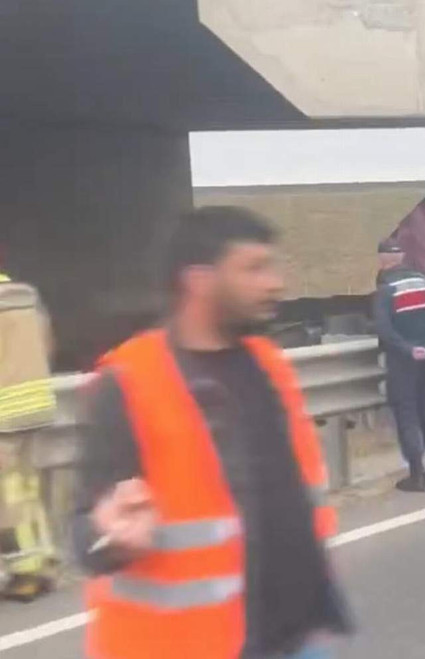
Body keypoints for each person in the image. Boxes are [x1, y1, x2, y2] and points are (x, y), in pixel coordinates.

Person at [72, 207, 351, 659]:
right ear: (198, 280)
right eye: (254, 269)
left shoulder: (269, 364)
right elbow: (86, 530)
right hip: (193, 647)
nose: (274, 282)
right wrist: (109, 534)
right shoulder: (129, 381)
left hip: (298, 636)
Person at [0, 269, 58, 601]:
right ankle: (47, 562)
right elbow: (48, 342)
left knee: (10, 497)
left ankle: (26, 573)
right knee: (31, 490)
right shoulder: (26, 293)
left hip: (5, 411)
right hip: (37, 402)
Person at [374, 239, 425, 492]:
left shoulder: (386, 288)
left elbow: (384, 329)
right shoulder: (424, 281)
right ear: (402, 256)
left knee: (407, 414)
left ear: (382, 260)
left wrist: (408, 349)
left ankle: (416, 475)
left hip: (404, 360)